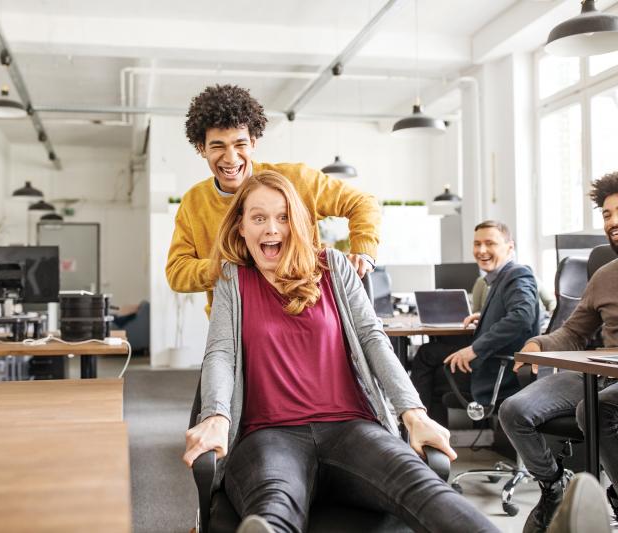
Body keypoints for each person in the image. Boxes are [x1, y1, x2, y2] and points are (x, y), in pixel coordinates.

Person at [182, 170, 499, 533]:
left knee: (426, 490)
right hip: (269, 433)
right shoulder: (232, 278)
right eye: (259, 217)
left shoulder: (334, 267)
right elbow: (220, 353)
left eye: (283, 217)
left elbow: (372, 338)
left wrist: (414, 413)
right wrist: (216, 417)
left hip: (352, 429)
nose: (272, 229)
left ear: (298, 222)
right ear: (240, 226)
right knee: (273, 507)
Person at [499, 169, 618, 533]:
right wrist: (537, 345)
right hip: (602, 372)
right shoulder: (604, 275)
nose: (614, 221)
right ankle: (554, 486)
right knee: (514, 411)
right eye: (607, 214)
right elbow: (575, 332)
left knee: (593, 411)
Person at [166, 84, 381, 315]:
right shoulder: (194, 203)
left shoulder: (296, 180)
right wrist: (229, 267)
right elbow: (177, 272)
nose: (230, 158)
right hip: (237, 328)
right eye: (218, 146)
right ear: (202, 149)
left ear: (253, 143)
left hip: (307, 314)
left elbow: (362, 202)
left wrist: (364, 253)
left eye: (240, 144)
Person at [410, 221, 540, 424]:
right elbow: (514, 311)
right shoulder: (500, 277)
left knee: (428, 363)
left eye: (490, 243)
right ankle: (424, 433)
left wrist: (474, 350)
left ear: (510, 247)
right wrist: (486, 316)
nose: (482, 250)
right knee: (429, 354)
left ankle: (422, 433)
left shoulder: (518, 274)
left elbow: (522, 317)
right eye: (477, 244)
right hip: (494, 361)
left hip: (499, 370)